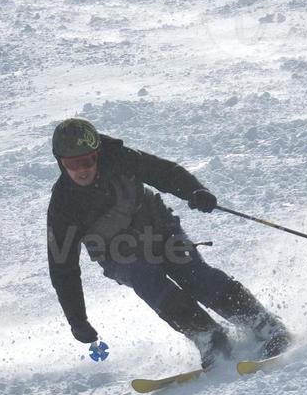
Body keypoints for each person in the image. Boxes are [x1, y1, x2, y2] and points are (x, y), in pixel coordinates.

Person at [46, 118, 292, 368]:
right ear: (60, 163)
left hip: (159, 229)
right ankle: (209, 337)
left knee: (192, 272)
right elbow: (62, 268)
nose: (81, 169)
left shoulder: (119, 158)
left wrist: (194, 191)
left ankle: (261, 322)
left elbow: (163, 172)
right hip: (118, 254)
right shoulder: (63, 206)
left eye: (87, 160)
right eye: (72, 164)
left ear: (97, 154)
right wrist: (77, 320)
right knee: (144, 277)